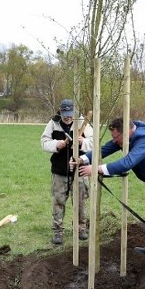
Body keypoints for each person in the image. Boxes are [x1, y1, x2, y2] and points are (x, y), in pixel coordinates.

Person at [78, 117, 145, 257]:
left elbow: (127, 163)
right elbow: (106, 148)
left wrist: (96, 169)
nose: (114, 140)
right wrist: (82, 159)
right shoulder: (129, 134)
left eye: (115, 137)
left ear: (125, 133)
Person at [40, 99, 94, 245]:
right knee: (58, 201)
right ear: (61, 111)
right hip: (59, 171)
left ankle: (81, 229)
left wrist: (83, 141)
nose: (68, 118)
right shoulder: (53, 123)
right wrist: (56, 144)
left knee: (81, 202)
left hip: (80, 170)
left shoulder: (83, 123)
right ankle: (58, 232)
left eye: (70, 114)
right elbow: (43, 142)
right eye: (65, 114)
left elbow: (94, 143)